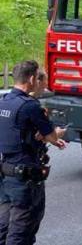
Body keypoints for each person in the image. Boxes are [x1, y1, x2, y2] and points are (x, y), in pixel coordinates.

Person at [0, 61, 67, 245]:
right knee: (22, 230)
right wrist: (58, 134)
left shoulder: (3, 102)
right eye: (38, 78)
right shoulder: (31, 106)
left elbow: (17, 131)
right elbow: (53, 136)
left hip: (5, 174)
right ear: (31, 79)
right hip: (25, 178)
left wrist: (36, 135)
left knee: (4, 226)